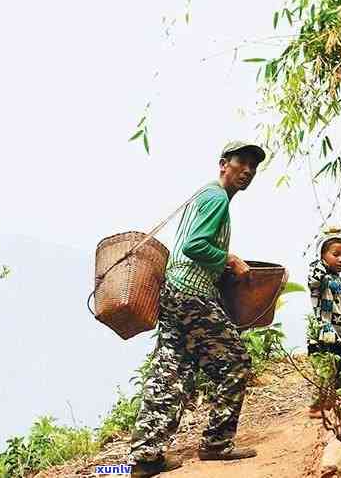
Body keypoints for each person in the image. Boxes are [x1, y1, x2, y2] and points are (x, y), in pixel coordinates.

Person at [128, 141, 265, 478]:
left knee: (170, 370)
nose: (247, 171)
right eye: (241, 163)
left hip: (173, 292)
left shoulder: (203, 194)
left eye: (253, 166)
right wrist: (229, 259)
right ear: (223, 164)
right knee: (235, 362)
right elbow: (194, 245)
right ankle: (217, 444)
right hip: (192, 294)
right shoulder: (217, 197)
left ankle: (146, 457)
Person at [306, 227, 341, 419]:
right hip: (323, 332)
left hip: (339, 333)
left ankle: (334, 403)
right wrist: (325, 240)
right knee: (325, 370)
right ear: (323, 256)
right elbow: (313, 280)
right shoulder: (319, 276)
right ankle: (317, 408)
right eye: (335, 254)